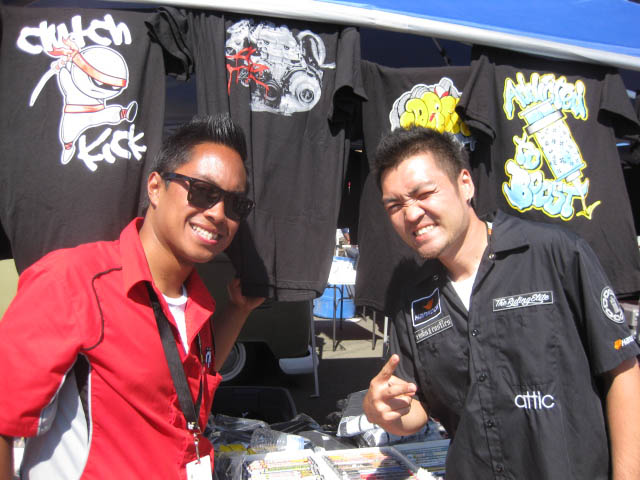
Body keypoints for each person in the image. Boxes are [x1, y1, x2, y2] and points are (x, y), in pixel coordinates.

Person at [362, 126, 640, 479]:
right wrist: (381, 410)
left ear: (465, 184)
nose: (411, 214)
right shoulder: (414, 298)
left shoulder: (554, 254)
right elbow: (416, 411)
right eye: (395, 205)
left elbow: (622, 371)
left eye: (425, 194)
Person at [0, 114, 265, 479]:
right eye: (203, 191)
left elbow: (180, 382)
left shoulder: (198, 301)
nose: (219, 214)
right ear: (155, 187)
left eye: (236, 205)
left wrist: (238, 311)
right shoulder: (74, 281)